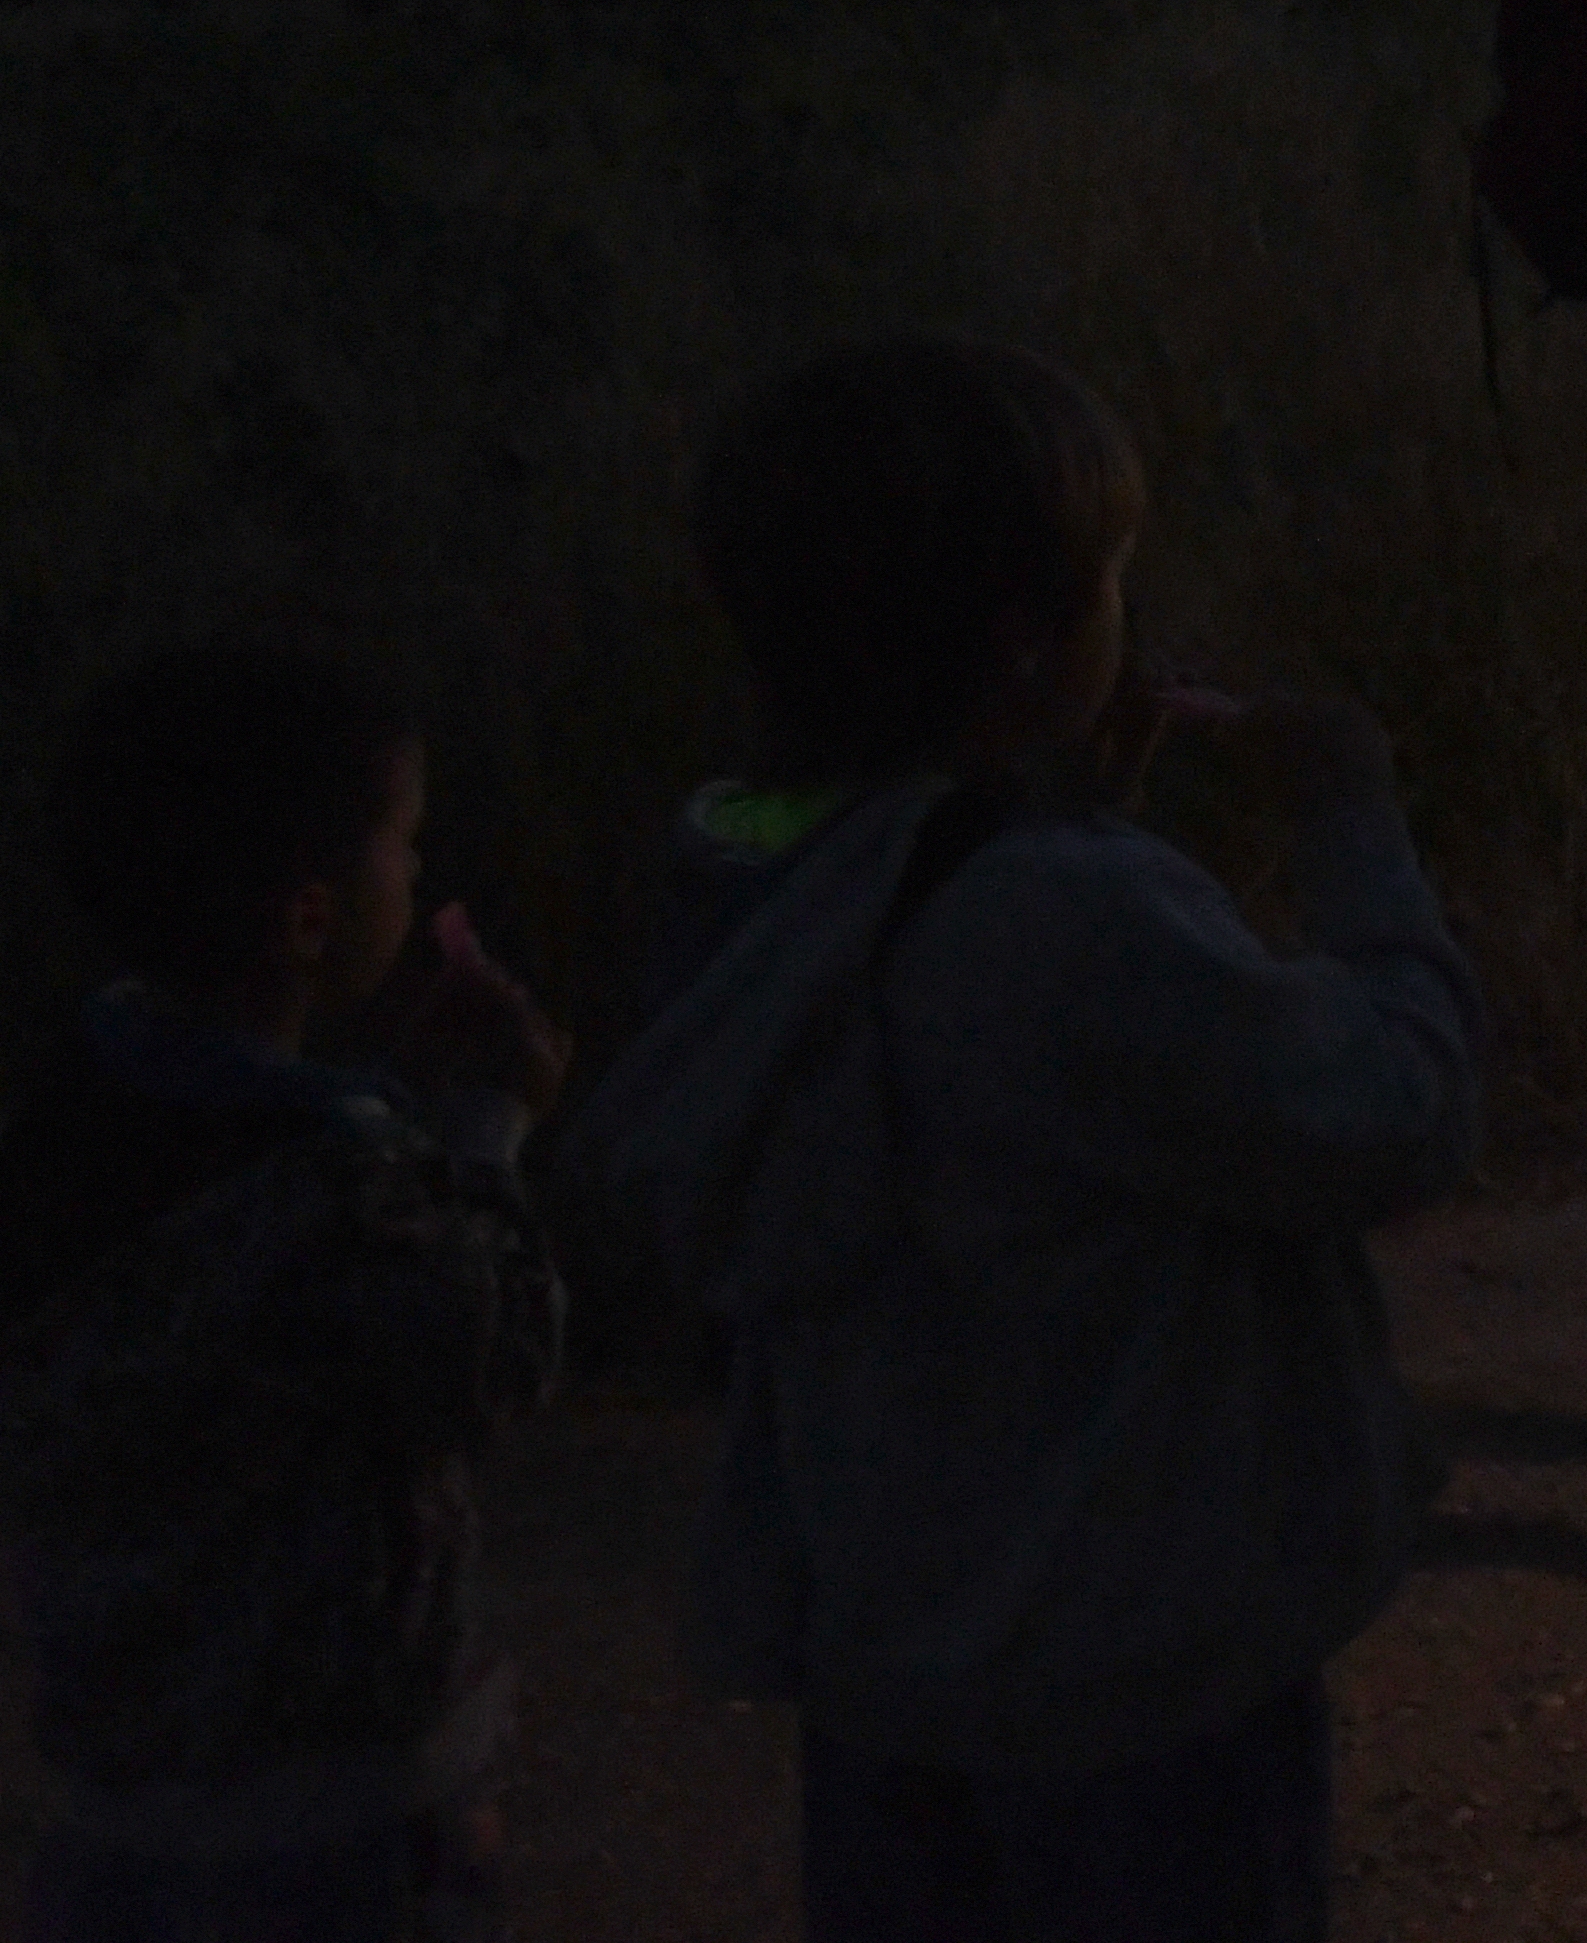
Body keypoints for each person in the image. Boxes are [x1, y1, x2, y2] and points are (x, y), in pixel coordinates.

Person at [574, 335, 1484, 1941]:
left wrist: (1064, 818)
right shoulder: (1068, 922)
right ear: (1023, 643)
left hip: (888, 1667)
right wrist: (1353, 825)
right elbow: (1392, 1114)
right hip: (1135, 1684)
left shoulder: (749, 885)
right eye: (1111, 572)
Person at [0, 648, 567, 1942]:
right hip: (329, 1830)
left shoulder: (61, 1128)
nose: (418, 874)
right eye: (402, 843)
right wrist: (487, 1130)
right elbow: (497, 1348)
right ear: (311, 918)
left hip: (114, 1804)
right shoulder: (337, 1186)